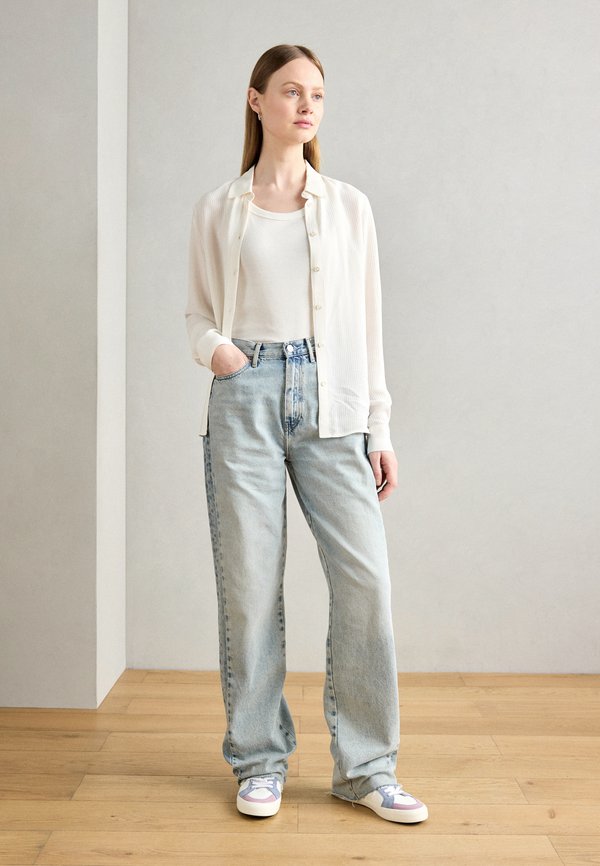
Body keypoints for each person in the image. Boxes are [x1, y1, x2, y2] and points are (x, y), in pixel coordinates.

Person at [185, 43, 428, 824]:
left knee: (366, 581)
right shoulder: (220, 208)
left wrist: (379, 426)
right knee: (251, 588)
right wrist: (219, 353)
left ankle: (367, 768)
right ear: (256, 100)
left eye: (316, 94)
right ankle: (259, 760)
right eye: (291, 91)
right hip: (245, 394)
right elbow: (198, 313)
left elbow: (369, 327)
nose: (306, 105)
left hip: (335, 397)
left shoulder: (349, 207)